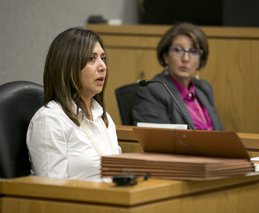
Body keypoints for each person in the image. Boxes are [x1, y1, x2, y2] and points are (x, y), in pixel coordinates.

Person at [26, 27, 121, 181]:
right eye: (92, 58)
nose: (103, 66)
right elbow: (52, 191)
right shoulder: (50, 120)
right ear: (68, 66)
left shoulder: (104, 118)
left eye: (102, 58)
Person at [132, 22, 223, 130]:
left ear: (200, 59)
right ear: (166, 56)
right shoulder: (152, 92)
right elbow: (160, 142)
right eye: (178, 50)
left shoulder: (204, 88)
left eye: (193, 51)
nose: (185, 59)